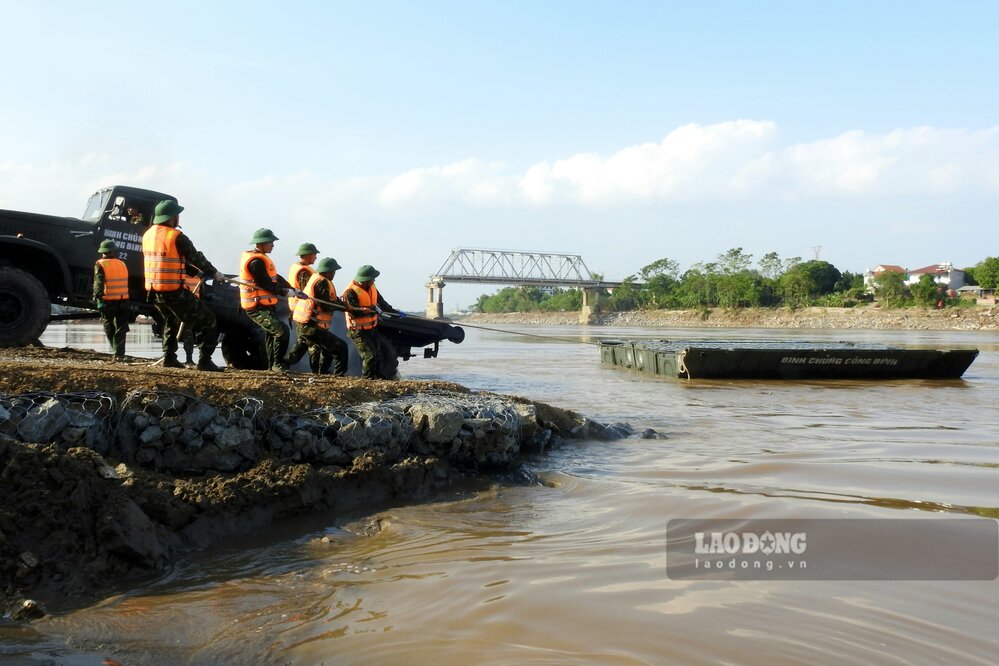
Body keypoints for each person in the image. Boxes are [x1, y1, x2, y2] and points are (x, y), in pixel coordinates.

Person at [142, 199, 226, 372]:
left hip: (153, 291)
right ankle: (205, 360)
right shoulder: (176, 236)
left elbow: (168, 260)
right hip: (173, 291)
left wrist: (197, 273)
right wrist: (214, 272)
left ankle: (169, 358)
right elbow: (196, 257)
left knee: (170, 321)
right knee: (207, 320)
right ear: (173, 217)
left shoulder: (148, 235)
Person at [240, 228, 296, 372]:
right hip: (256, 306)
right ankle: (277, 364)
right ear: (262, 243)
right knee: (281, 331)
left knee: (272, 334)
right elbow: (265, 283)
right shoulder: (256, 262)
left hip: (265, 306)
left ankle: (272, 366)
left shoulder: (262, 259)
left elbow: (275, 278)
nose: (273, 245)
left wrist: (293, 290)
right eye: (270, 242)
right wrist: (285, 292)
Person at [341, 264, 406, 379]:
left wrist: (395, 313)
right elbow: (354, 311)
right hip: (358, 331)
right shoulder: (350, 292)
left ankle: (378, 378)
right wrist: (373, 310)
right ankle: (367, 380)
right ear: (366, 280)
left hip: (371, 329)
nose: (374, 280)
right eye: (372, 278)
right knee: (369, 356)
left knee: (378, 354)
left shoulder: (372, 287)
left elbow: (382, 303)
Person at [285, 257, 349, 375]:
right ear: (328, 271)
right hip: (311, 326)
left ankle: (284, 365)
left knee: (302, 348)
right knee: (341, 347)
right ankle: (338, 376)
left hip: (305, 324)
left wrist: (341, 304)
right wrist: (344, 307)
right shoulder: (322, 282)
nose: (334, 274)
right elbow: (326, 305)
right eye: (333, 271)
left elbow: (329, 301)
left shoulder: (316, 279)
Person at [93, 239, 130, 362]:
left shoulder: (100, 264)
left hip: (107, 300)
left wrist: (97, 298)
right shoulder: (122, 264)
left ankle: (115, 351)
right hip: (123, 299)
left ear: (103, 252)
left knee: (108, 324)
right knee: (121, 327)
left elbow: (98, 283)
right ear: (114, 251)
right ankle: (120, 353)